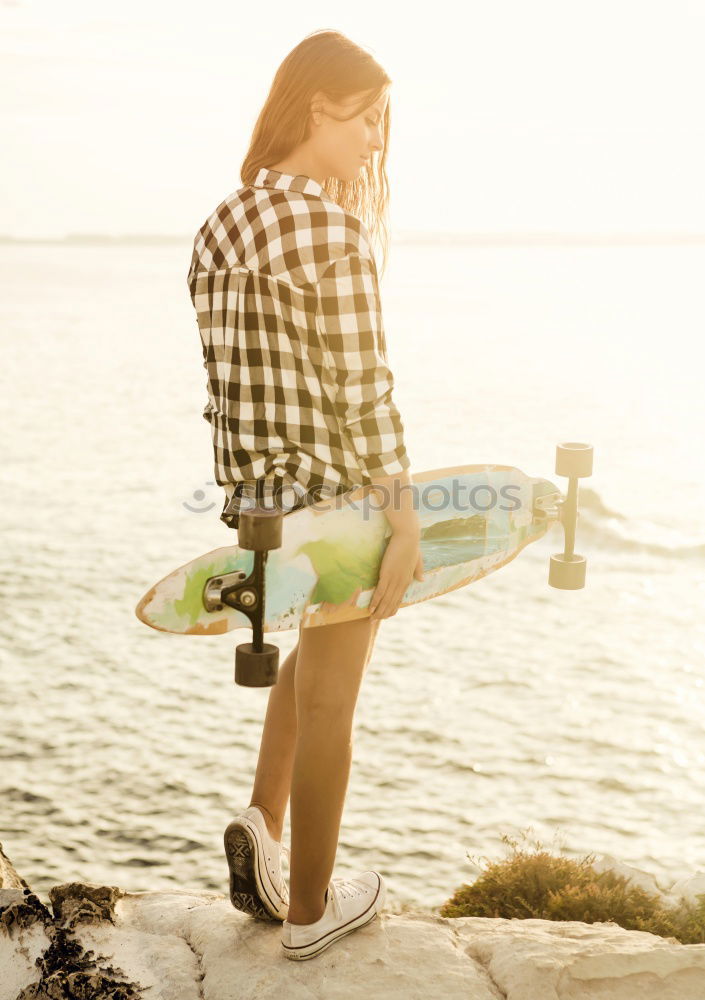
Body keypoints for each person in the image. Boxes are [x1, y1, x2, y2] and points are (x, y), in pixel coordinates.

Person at [187, 28, 424, 961]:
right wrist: (401, 517)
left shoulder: (218, 222)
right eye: (367, 120)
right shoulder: (332, 231)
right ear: (320, 106)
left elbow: (226, 381)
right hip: (337, 500)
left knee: (308, 662)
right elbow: (366, 390)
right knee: (335, 696)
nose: (373, 142)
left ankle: (263, 824)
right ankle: (312, 912)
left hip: (258, 508)